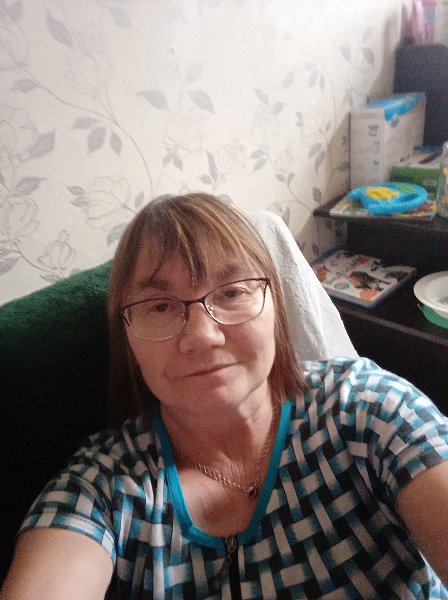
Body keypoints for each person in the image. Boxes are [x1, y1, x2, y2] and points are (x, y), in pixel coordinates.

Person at [1, 192, 448, 600]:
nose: (202, 335)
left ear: (275, 306)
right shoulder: (103, 488)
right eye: (160, 306)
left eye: (232, 292)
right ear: (127, 337)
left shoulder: (368, 408)